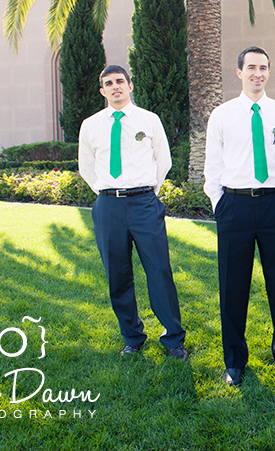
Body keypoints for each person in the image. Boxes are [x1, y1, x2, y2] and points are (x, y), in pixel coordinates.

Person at [203, 46, 275, 387]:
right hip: (235, 206)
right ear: (239, 72)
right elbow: (212, 167)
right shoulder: (222, 114)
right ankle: (234, 361)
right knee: (233, 286)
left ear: (269, 72)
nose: (257, 73)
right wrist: (220, 205)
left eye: (263, 67)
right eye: (251, 67)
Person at [78, 65, 188, 360]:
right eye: (108, 83)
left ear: (130, 85)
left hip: (144, 204)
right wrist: (108, 193)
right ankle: (132, 336)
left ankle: (173, 338)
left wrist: (146, 193)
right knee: (118, 275)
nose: (115, 87)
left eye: (120, 82)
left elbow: (162, 161)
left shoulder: (148, 120)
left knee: (159, 271)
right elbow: (86, 167)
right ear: (102, 90)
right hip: (108, 207)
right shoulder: (90, 125)